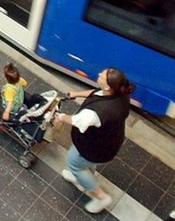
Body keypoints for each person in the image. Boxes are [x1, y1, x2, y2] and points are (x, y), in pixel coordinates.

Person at [54, 67, 136, 213]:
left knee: (74, 163)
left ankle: (101, 197)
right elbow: (95, 93)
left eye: (102, 76)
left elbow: (77, 120)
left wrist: (60, 117)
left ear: (107, 86)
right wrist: (76, 94)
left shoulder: (97, 112)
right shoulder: (120, 94)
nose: (98, 74)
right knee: (85, 164)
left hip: (94, 148)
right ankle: (84, 173)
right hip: (109, 142)